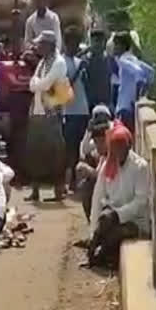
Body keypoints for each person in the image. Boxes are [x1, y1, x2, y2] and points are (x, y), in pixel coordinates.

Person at [88, 122, 148, 268]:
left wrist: (118, 214)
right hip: (111, 215)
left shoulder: (140, 167)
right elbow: (98, 197)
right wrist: (93, 232)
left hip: (135, 220)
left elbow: (140, 202)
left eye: (121, 147)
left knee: (114, 235)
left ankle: (104, 257)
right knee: (102, 224)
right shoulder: (108, 164)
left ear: (128, 146)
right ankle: (93, 252)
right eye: (115, 148)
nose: (118, 152)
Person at [26, 30, 67, 202]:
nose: (38, 47)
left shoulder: (59, 62)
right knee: (35, 152)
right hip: (37, 112)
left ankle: (58, 191)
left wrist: (38, 84)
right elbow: (32, 84)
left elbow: (44, 84)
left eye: (41, 44)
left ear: (49, 45)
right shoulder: (42, 62)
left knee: (55, 153)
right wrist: (38, 84)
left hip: (51, 114)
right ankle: (35, 190)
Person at [63, 26, 91, 190]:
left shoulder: (80, 61)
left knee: (84, 148)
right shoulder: (61, 63)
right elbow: (63, 90)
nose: (75, 47)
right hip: (70, 111)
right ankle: (71, 181)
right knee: (71, 148)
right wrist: (78, 71)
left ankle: (81, 180)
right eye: (73, 43)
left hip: (83, 109)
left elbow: (84, 86)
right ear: (67, 44)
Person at [112, 32, 154, 133]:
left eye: (116, 45)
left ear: (123, 46)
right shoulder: (133, 58)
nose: (114, 48)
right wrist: (144, 92)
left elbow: (138, 72)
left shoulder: (122, 60)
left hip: (124, 106)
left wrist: (138, 92)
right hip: (131, 106)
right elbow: (150, 72)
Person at [77, 121, 111, 221]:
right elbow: (84, 149)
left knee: (89, 185)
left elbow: (108, 179)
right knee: (86, 184)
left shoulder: (114, 154)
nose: (98, 145)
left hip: (115, 202)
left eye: (101, 141)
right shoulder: (101, 155)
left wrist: (90, 171)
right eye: (96, 142)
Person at [83, 29, 112, 111]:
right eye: (95, 41)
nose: (97, 44)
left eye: (100, 41)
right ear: (91, 42)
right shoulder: (85, 60)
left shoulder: (109, 59)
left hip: (106, 102)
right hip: (89, 103)